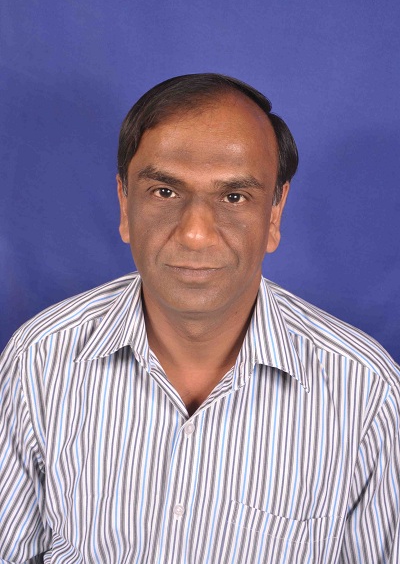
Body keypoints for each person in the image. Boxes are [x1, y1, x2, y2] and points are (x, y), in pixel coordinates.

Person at [0, 73, 399, 564]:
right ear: (124, 203)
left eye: (234, 197)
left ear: (275, 214)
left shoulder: (367, 393)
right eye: (165, 192)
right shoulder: (38, 360)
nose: (195, 234)